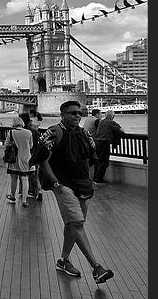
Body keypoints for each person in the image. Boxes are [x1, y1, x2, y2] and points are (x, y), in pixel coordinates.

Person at [32, 100, 114, 284]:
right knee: (77, 223)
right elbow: (43, 160)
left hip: (83, 183)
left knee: (74, 224)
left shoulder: (84, 133)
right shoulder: (53, 132)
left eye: (79, 113)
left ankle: (63, 260)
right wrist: (56, 184)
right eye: (72, 113)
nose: (77, 116)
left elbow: (91, 158)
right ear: (63, 115)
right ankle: (96, 267)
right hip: (63, 184)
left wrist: (90, 180)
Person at [4, 116, 35, 207]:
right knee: (25, 179)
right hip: (26, 158)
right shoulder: (29, 132)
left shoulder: (11, 132)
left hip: (14, 159)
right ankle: (24, 200)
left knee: (14, 179)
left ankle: (13, 196)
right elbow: (31, 146)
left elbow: (6, 145)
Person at [92, 110, 124, 183]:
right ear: (113, 116)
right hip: (104, 144)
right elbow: (122, 130)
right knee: (103, 162)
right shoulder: (111, 122)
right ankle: (99, 180)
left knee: (98, 161)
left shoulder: (101, 122)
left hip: (96, 143)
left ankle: (95, 179)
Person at [20, 112, 43, 201]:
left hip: (25, 155)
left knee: (24, 174)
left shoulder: (22, 132)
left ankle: (27, 192)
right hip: (36, 155)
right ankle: (39, 191)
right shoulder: (36, 132)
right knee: (35, 176)